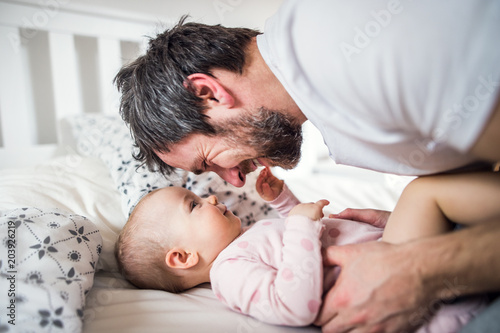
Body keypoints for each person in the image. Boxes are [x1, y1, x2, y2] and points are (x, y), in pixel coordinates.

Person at [114, 1, 500, 331]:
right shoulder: (321, 69)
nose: (232, 180)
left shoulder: (364, 57)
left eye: (208, 161)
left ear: (208, 93)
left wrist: (418, 267)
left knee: (423, 193)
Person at [115, 167, 496, 331]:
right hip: (395, 274)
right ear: (183, 258)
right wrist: (300, 221)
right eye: (194, 205)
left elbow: (288, 241)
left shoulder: (244, 243)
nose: (211, 198)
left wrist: (283, 201)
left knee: (434, 193)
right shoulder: (228, 272)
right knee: (424, 191)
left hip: (398, 254)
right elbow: (294, 303)